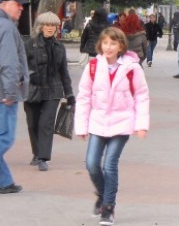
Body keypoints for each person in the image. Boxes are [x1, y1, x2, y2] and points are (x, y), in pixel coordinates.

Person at [75, 27, 150, 224]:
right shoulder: (92, 66)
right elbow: (83, 97)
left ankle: (108, 206)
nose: (108, 47)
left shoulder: (132, 68)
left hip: (122, 122)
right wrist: (81, 126)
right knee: (91, 164)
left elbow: (141, 96)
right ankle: (102, 193)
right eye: (105, 43)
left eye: (113, 44)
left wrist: (141, 124)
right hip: (97, 122)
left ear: (121, 46)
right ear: (100, 44)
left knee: (110, 164)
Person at [23, 12, 74, 172]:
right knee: (33, 124)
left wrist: (70, 94)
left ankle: (43, 157)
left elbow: (64, 72)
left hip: (53, 90)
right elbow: (21, 68)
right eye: (47, 25)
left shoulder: (59, 47)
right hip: (33, 89)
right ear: (41, 26)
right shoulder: (30, 45)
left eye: (53, 26)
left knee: (46, 123)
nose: (50, 28)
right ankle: (37, 152)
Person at [0, 0, 29, 194]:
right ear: (4, 4)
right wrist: (10, 91)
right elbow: (8, 63)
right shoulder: (6, 27)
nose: (21, 8)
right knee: (4, 138)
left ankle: (4, 181)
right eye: (18, 4)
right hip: (1, 94)